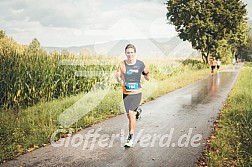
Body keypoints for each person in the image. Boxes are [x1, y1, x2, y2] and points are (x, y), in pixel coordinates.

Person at [116, 44, 150, 147]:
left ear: (134, 53)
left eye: (131, 52)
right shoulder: (122, 64)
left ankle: (130, 138)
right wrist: (118, 77)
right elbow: (120, 79)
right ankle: (138, 112)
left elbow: (147, 77)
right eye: (128, 53)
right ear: (125, 53)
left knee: (131, 115)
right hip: (126, 93)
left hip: (136, 93)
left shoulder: (140, 64)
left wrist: (147, 74)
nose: (130, 54)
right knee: (129, 116)